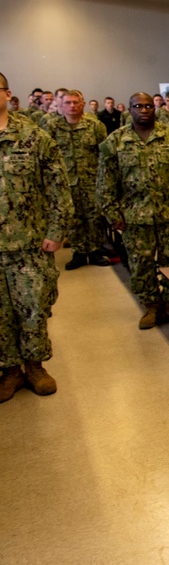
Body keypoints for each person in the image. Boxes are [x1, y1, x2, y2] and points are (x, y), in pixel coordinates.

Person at [97, 92, 169, 329]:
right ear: (130, 110)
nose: (144, 110)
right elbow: (105, 181)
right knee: (141, 264)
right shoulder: (116, 141)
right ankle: (151, 306)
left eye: (147, 106)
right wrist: (112, 213)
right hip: (134, 217)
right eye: (138, 106)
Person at [0, 73, 74, 402]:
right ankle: (9, 370)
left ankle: (34, 366)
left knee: (33, 307)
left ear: (7, 94)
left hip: (28, 243)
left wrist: (56, 231)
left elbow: (58, 187)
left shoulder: (33, 136)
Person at [46, 89, 111, 270]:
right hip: (66, 182)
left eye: (76, 102)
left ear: (82, 104)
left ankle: (95, 250)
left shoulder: (95, 126)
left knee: (94, 217)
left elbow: (104, 154)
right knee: (73, 219)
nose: (72, 106)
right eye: (68, 103)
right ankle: (79, 252)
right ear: (60, 105)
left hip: (92, 180)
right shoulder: (52, 127)